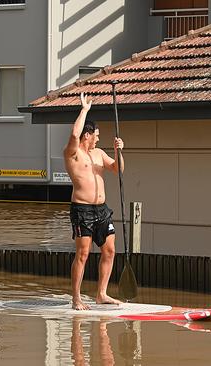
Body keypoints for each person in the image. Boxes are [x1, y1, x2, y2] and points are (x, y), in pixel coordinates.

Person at [64, 92, 124, 310]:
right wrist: (84, 110)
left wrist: (118, 152)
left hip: (102, 210)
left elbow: (118, 170)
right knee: (83, 253)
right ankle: (76, 298)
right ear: (87, 135)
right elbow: (74, 133)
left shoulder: (98, 153)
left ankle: (101, 294)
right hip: (82, 210)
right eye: (96, 135)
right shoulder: (72, 153)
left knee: (110, 250)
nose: (98, 138)